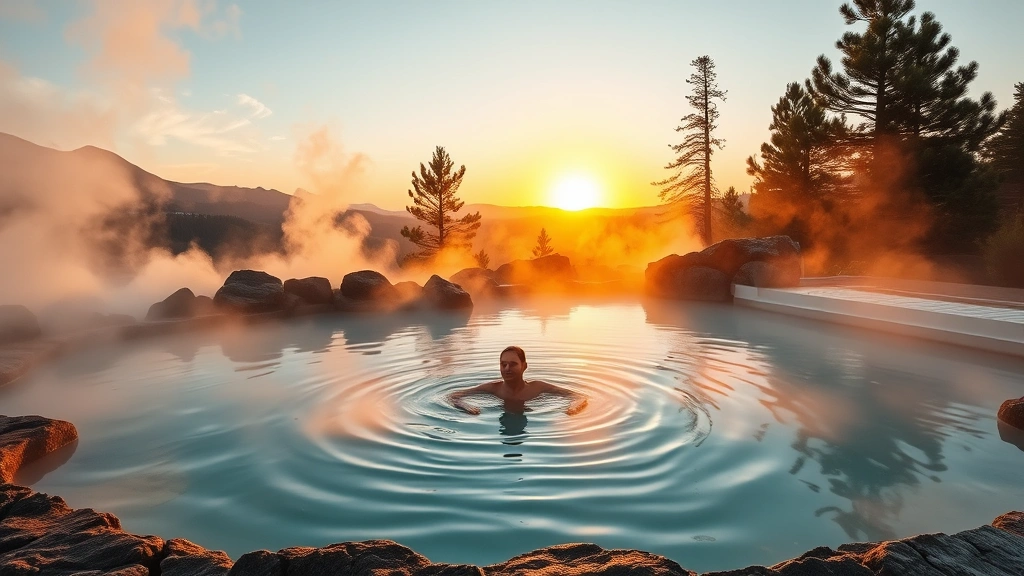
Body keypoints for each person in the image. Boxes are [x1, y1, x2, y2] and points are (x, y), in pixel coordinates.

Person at [448, 346, 588, 416]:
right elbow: (453, 396)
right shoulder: (493, 388)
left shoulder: (537, 388)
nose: (507, 368)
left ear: (524, 366)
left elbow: (579, 396)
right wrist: (465, 406)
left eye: (513, 364)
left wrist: (574, 407)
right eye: (503, 364)